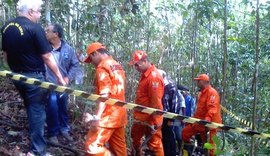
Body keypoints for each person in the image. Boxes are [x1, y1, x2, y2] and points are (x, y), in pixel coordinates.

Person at [1, 0, 66, 155]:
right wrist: (60, 78)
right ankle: (37, 151)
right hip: (34, 78)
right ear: (30, 11)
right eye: (38, 11)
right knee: (37, 112)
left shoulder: (6, 27)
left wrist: (13, 70)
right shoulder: (34, 28)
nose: (39, 14)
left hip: (17, 76)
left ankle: (37, 145)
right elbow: (47, 57)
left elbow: (5, 55)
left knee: (31, 108)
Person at [82, 42, 127, 155]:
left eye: (91, 59)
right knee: (119, 149)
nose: (92, 63)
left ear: (96, 53)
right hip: (120, 114)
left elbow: (104, 95)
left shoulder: (102, 67)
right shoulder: (116, 65)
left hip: (108, 116)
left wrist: (96, 117)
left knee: (92, 147)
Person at [45, 23, 83, 144]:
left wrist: (68, 78)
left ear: (56, 34)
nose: (45, 33)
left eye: (48, 31)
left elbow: (75, 65)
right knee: (52, 107)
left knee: (62, 107)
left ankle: (64, 129)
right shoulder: (44, 48)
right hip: (49, 84)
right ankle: (52, 133)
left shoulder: (68, 49)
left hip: (63, 85)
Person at [129, 50, 164, 156]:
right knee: (135, 138)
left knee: (155, 144)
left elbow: (156, 101)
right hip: (140, 118)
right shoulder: (145, 75)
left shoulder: (154, 77)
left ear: (144, 61)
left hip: (150, 119)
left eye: (137, 65)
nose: (136, 68)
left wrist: (156, 122)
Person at [181, 74, 222, 156]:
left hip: (210, 124)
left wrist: (206, 120)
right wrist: (192, 120)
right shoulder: (202, 93)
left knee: (210, 146)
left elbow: (212, 108)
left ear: (204, 82)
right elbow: (200, 110)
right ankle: (190, 151)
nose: (197, 83)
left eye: (199, 81)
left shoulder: (212, 92)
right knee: (185, 133)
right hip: (200, 122)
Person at [158, 70, 185, 156]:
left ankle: (171, 153)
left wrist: (171, 118)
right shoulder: (162, 85)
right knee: (165, 136)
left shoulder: (170, 86)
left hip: (168, 116)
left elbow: (175, 103)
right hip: (162, 116)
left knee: (169, 136)